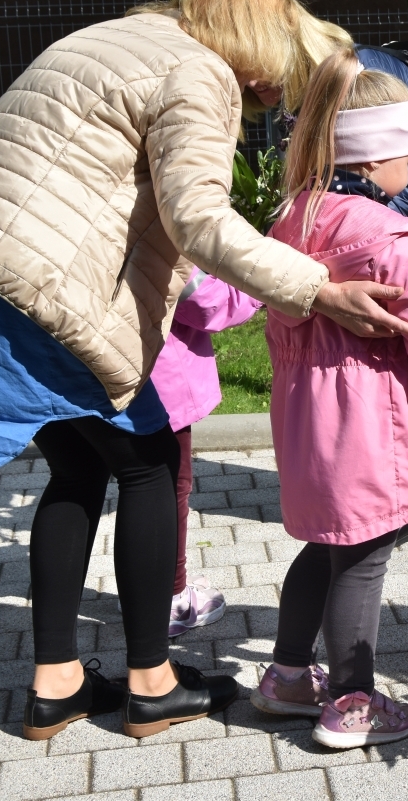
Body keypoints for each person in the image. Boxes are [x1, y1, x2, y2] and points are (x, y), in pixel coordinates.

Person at [0, 0, 408, 741]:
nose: (275, 92)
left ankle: (57, 682)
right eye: (280, 67)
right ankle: (151, 682)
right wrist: (317, 288)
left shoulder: (112, 37)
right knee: (148, 463)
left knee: (75, 467)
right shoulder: (197, 72)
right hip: (33, 283)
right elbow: (199, 219)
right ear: (257, 36)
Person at [249, 48, 408, 748]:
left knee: (324, 549)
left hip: (307, 424)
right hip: (371, 430)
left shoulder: (295, 221)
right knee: (363, 562)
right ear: (371, 161)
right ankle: (350, 702)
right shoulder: (395, 241)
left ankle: (284, 675)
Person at [149, 270, 262, 637]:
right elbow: (204, 303)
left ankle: (144, 588)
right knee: (168, 490)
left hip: (98, 368)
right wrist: (260, 283)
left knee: (137, 487)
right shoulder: (156, 220)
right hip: (156, 378)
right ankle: (172, 599)